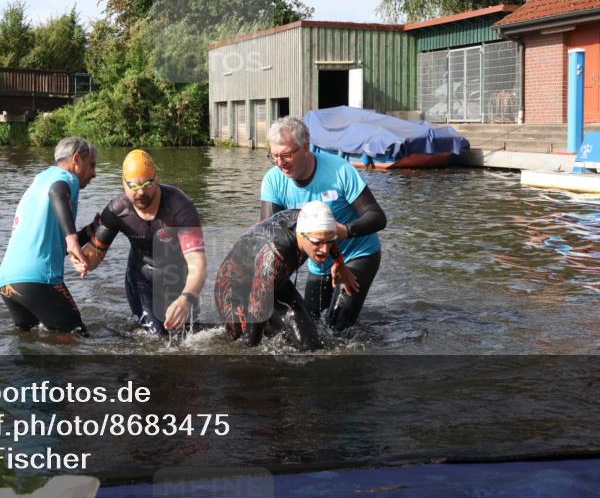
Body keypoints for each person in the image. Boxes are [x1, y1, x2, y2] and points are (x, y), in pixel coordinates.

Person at [260, 116, 386, 331]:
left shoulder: (340, 170)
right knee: (311, 324)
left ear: (306, 147)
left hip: (358, 255)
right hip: (319, 262)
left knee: (337, 327)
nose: (280, 163)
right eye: (275, 156)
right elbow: (271, 234)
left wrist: (345, 231)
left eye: (287, 155)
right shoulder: (273, 180)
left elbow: (377, 216)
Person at [75, 150, 206, 336]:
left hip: (179, 280)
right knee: (157, 339)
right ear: (123, 183)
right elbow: (95, 256)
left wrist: (186, 298)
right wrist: (83, 261)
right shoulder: (116, 211)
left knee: (188, 340)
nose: (141, 192)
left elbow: (198, 265)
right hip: (141, 281)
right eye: (134, 186)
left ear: (156, 178)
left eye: (147, 184)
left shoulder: (179, 207)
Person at [214, 201, 355, 351]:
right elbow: (258, 309)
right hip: (235, 287)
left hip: (273, 278)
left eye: (330, 242)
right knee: (244, 344)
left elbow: (325, 235)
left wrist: (340, 262)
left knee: (310, 345)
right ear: (301, 234)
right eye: (317, 243)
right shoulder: (277, 254)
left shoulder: (311, 218)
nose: (324, 250)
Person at [0, 137, 98, 336]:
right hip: (38, 279)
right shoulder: (67, 177)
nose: (94, 173)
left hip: (7, 282)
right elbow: (57, 192)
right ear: (76, 159)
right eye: (92, 165)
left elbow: (54, 242)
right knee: (78, 339)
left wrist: (89, 232)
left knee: (32, 343)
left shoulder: (40, 180)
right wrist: (72, 240)